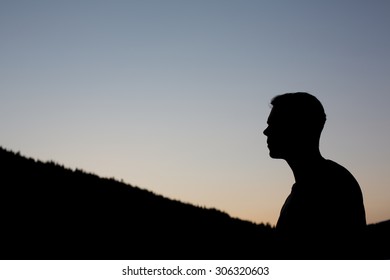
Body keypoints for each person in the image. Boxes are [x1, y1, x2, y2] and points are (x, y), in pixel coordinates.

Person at [263, 92, 366, 258]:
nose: (266, 131)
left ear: (297, 127)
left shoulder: (334, 185)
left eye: (274, 124)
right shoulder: (312, 186)